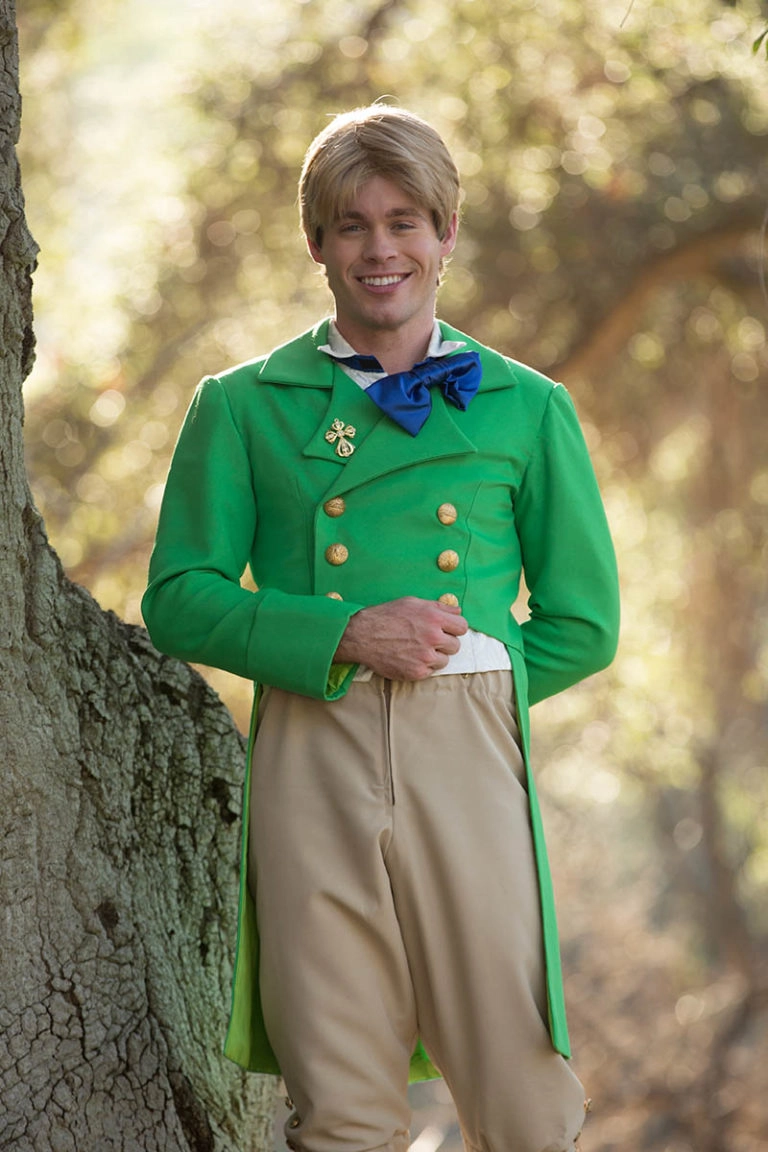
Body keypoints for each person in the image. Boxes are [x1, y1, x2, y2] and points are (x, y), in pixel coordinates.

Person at [142, 104, 620, 1152]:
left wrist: (473, 679)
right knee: (342, 1099)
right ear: (316, 243)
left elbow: (585, 625)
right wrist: (346, 636)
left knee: (523, 1093)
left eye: (405, 221)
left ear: (447, 233)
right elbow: (178, 597)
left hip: (471, 746)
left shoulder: (527, 405)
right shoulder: (243, 404)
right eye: (352, 225)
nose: (379, 249)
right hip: (312, 743)